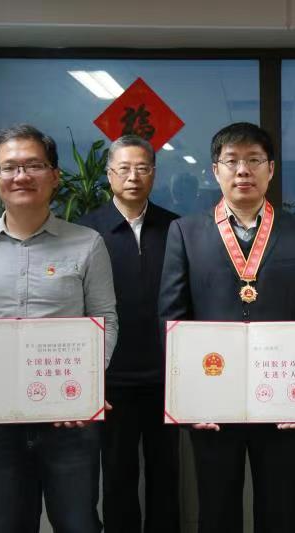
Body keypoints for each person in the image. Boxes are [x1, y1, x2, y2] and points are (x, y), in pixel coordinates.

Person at [0, 124, 117, 533]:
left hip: (69, 419)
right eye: (10, 167)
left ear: (54, 176)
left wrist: (88, 386)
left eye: (34, 165)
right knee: (6, 524)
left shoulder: (87, 243)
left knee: (78, 524)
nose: (21, 176)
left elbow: (105, 320)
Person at [158, 122, 295, 533]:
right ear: (215, 170)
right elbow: (172, 318)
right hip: (212, 401)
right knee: (217, 509)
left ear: (271, 169)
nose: (243, 170)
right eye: (232, 161)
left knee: (281, 508)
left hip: (281, 400)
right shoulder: (186, 232)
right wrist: (188, 400)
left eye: (254, 160)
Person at [78, 134, 180, 533]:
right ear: (109, 174)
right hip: (112, 376)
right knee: (117, 473)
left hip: (167, 375)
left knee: (166, 472)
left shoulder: (175, 228)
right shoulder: (87, 232)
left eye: (142, 168)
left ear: (154, 173)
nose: (133, 177)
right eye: (123, 168)